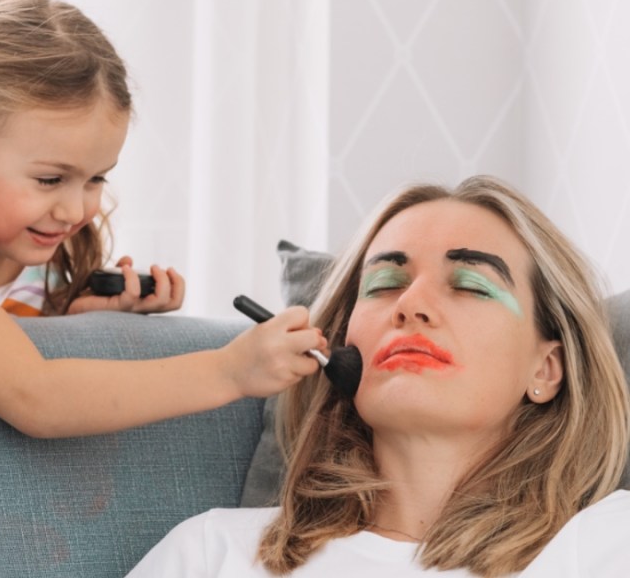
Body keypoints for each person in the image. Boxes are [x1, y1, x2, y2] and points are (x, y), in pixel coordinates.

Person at [0, 0, 325, 438]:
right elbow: (34, 396)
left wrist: (72, 323)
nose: (76, 210)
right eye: (50, 179)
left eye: (96, 179)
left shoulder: (28, 257)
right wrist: (229, 371)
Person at [127, 176, 630, 577]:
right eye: (386, 283)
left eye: (472, 285)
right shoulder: (213, 553)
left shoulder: (609, 545)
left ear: (546, 368)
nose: (411, 306)